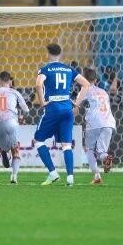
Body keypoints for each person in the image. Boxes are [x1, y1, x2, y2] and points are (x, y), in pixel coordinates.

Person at [34, 43, 90, 186]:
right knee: (66, 145)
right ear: (60, 54)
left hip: (53, 108)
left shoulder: (45, 69)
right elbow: (86, 84)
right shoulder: (68, 69)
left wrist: (41, 102)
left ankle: (53, 173)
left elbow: (38, 84)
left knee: (39, 141)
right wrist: (77, 103)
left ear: (48, 54)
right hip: (67, 108)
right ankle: (70, 178)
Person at [75, 68, 116, 184]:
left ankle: (97, 176)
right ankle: (106, 158)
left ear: (83, 79)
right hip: (109, 123)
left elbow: (76, 106)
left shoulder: (84, 90)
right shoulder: (103, 92)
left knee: (89, 149)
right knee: (102, 151)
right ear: (96, 80)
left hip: (94, 123)